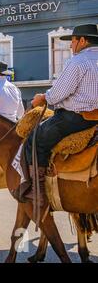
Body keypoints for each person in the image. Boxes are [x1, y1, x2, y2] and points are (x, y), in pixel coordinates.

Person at [21, 24, 98, 205]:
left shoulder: (78, 62)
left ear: (82, 40)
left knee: (34, 140)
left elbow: (57, 94)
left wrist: (41, 98)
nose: (71, 46)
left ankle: (37, 191)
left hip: (76, 119)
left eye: (72, 41)